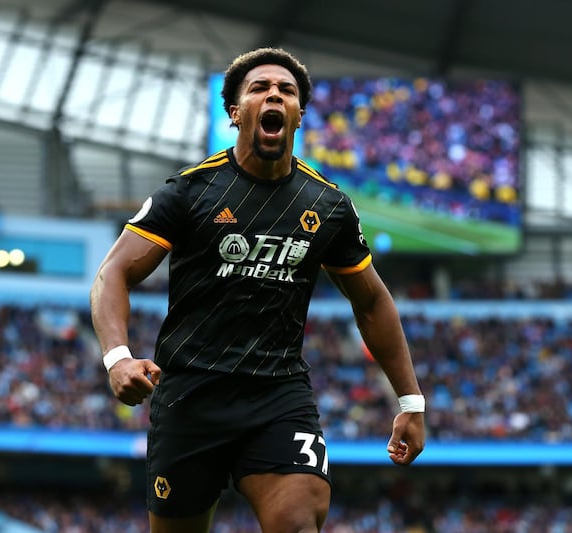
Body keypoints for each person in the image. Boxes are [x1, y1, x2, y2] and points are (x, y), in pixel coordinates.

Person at [90, 47, 426, 533]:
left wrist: (410, 402)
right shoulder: (189, 193)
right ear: (236, 112)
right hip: (189, 394)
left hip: (277, 395)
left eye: (286, 91)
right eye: (260, 89)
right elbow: (112, 273)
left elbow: (371, 300)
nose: (275, 95)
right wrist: (117, 356)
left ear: (298, 115)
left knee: (297, 521)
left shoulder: (327, 206)